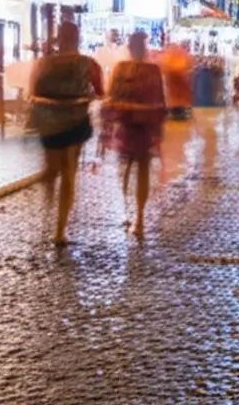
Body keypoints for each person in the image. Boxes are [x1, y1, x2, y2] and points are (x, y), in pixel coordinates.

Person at [29, 22, 104, 245]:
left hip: (49, 123)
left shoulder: (44, 63)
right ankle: (60, 230)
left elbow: (34, 91)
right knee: (69, 173)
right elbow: (101, 91)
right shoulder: (87, 63)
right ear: (77, 38)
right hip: (75, 121)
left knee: (52, 169)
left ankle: (47, 206)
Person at [106, 32, 167, 238]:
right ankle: (139, 218)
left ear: (129, 48)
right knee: (142, 172)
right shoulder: (153, 71)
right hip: (145, 127)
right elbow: (160, 101)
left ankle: (127, 212)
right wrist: (159, 130)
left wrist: (109, 124)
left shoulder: (120, 69)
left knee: (124, 170)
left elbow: (111, 96)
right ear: (145, 48)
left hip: (125, 126)